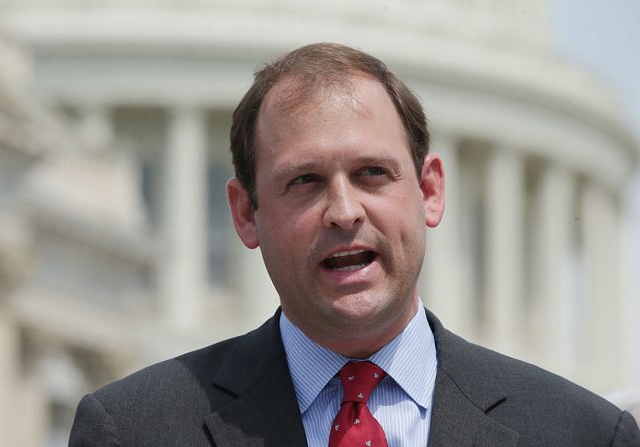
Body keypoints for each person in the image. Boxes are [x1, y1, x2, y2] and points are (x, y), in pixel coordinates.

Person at [68, 43, 640, 446]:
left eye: (372, 173)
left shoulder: (580, 433)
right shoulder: (135, 430)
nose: (344, 212)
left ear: (431, 191)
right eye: (305, 182)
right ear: (246, 214)